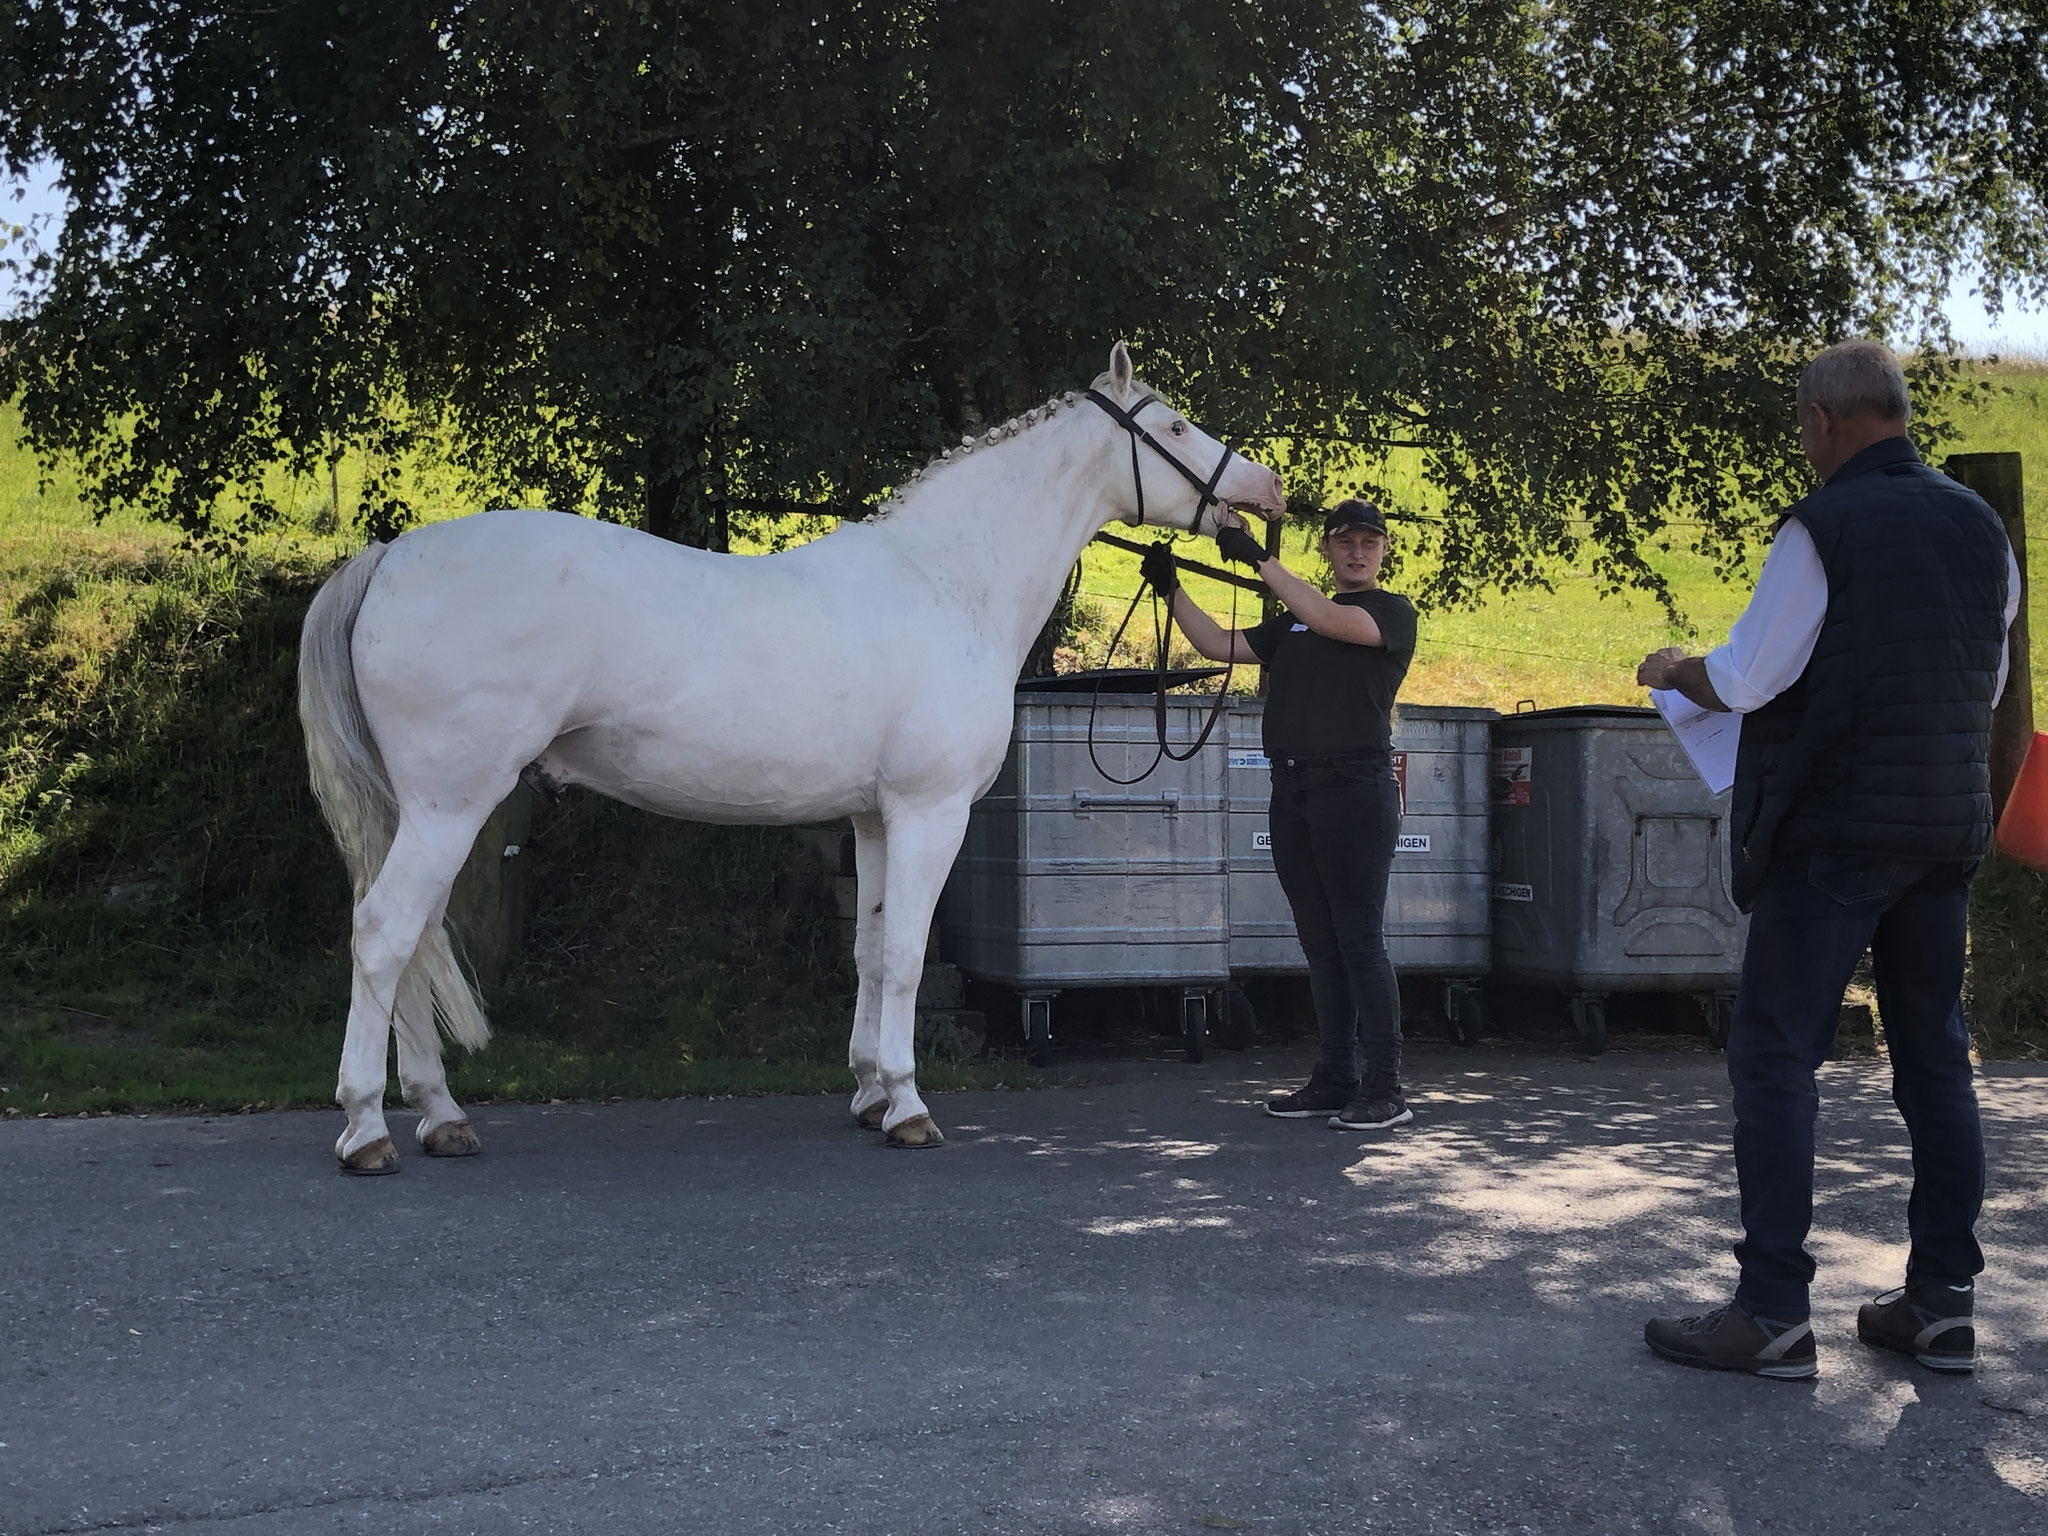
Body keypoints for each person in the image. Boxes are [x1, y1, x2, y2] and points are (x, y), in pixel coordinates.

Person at [1635, 339, 2020, 1381]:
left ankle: (1769, 1312)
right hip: (1943, 829)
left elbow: (1748, 677)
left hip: (1834, 836)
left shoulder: (1822, 526)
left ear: (1818, 421)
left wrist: (1674, 670)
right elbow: (1983, 689)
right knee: (1933, 1057)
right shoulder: (1982, 528)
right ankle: (1938, 1304)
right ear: (1895, 413)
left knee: (1771, 1055)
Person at [1141, 499, 1419, 1131]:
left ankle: (1385, 1085)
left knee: (1359, 940)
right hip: (1292, 788)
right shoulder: (1291, 624)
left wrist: (1260, 558)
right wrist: (1173, 589)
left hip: (1354, 787)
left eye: (1368, 543)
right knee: (1321, 944)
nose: (1356, 552)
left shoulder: (1388, 612)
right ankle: (1336, 1076)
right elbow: (1216, 644)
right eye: (1344, 542)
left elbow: (1324, 615)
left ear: (1382, 552)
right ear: (1326, 549)